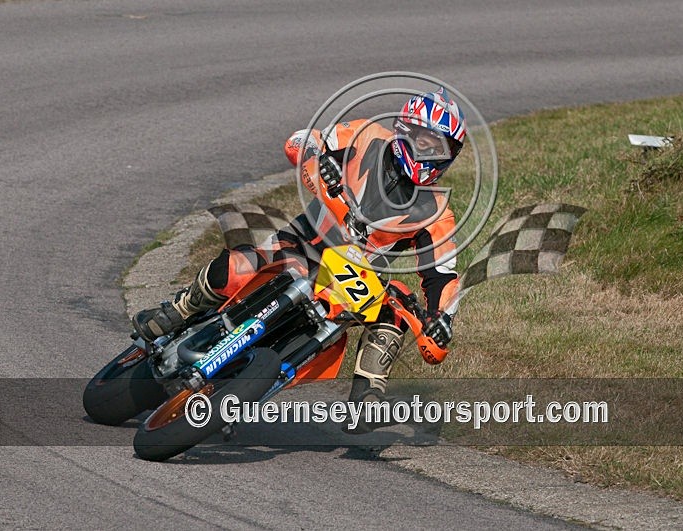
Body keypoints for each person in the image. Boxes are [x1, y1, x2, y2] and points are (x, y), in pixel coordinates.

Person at [133, 87, 467, 424]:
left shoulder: (438, 211)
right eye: (429, 143)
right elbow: (303, 140)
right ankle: (179, 309)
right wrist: (321, 162)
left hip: (354, 275)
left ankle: (368, 397)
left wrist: (442, 319)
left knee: (396, 309)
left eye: (444, 150)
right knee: (237, 268)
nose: (435, 155)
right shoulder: (367, 135)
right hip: (304, 243)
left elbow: (443, 274)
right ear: (406, 131)